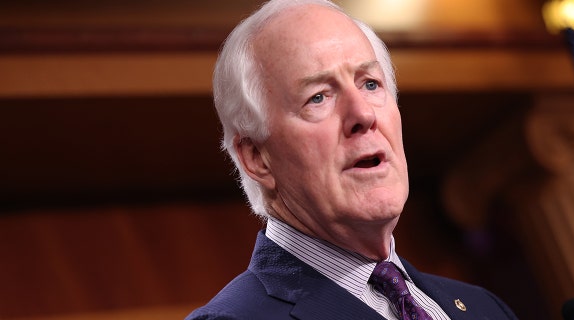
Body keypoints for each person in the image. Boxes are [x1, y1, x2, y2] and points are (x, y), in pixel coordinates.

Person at [186, 0, 519, 319]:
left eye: (370, 84)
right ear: (257, 158)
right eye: (318, 97)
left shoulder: (484, 308)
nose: (362, 114)